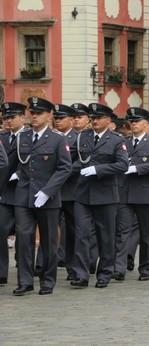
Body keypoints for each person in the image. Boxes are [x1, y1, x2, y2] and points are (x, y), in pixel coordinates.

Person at [12, 97, 72, 296]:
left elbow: (64, 168)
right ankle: (25, 281)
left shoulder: (58, 138)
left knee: (48, 241)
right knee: (23, 238)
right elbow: (20, 165)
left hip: (48, 197)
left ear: (49, 115)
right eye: (33, 113)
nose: (35, 116)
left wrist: (47, 191)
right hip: (23, 195)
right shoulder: (23, 137)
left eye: (39, 113)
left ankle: (47, 280)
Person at [70, 103, 128, 289]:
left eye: (98, 118)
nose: (94, 121)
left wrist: (98, 169)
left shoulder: (117, 140)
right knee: (82, 234)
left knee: (106, 236)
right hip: (83, 194)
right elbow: (73, 158)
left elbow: (123, 166)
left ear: (108, 120)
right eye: (92, 118)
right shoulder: (82, 137)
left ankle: (105, 272)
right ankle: (81, 274)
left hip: (106, 194)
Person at [112, 108, 149, 282]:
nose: (134, 124)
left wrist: (138, 168)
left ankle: (146, 267)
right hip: (125, 193)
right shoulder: (123, 142)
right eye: (132, 121)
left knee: (147, 234)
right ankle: (119, 268)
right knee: (122, 232)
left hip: (145, 193)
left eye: (137, 121)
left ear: (146, 124)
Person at [52, 104, 80, 280]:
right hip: (52, 190)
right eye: (56, 118)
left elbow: (80, 162)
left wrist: (62, 173)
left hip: (71, 190)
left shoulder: (78, 138)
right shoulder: (51, 137)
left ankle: (72, 266)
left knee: (72, 231)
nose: (57, 121)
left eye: (61, 118)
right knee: (49, 228)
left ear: (71, 119)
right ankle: (42, 264)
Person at [0, 102, 27, 285]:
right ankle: (2, 272)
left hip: (24, 192)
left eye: (12, 117)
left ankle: (26, 269)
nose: (9, 121)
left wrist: (20, 173)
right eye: (6, 118)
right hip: (4, 193)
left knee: (25, 235)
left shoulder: (30, 136)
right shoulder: (2, 137)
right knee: (1, 231)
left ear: (22, 117)